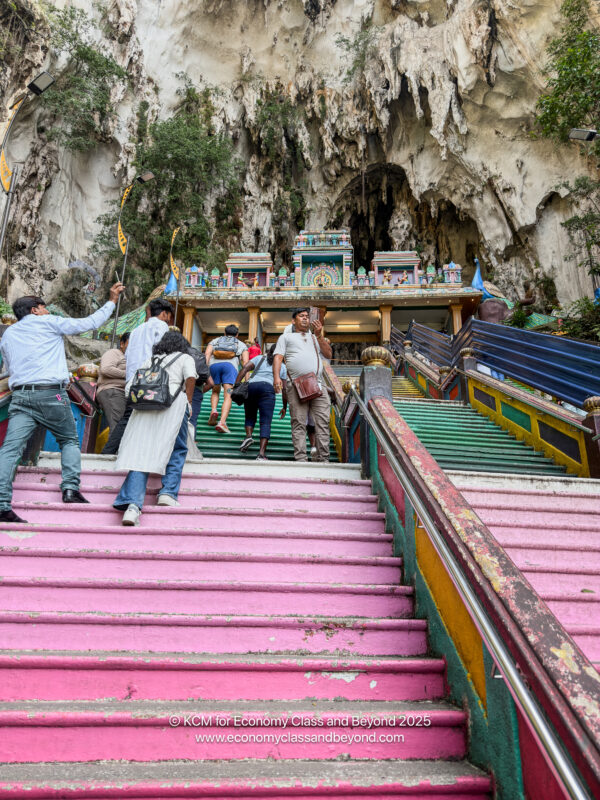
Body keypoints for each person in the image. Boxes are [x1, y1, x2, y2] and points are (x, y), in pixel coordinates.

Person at [0, 282, 125, 523]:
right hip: (50, 393)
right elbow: (88, 323)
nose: (47, 311)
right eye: (44, 307)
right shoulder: (49, 322)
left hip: (21, 395)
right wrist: (111, 300)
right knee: (68, 439)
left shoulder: (8, 335)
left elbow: (8, 368)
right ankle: (70, 489)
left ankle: (2, 503)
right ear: (35, 309)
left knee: (9, 449)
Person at [113, 331, 197, 526]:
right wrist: (188, 401)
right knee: (177, 448)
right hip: (173, 407)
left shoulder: (150, 360)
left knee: (141, 454)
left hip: (143, 410)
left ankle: (132, 506)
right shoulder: (185, 357)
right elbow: (191, 377)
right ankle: (167, 493)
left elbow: (129, 388)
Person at [103, 298, 174, 454]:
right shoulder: (162, 326)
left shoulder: (136, 330)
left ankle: (109, 452)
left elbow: (127, 356)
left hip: (131, 380)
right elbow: (162, 352)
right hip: (150, 378)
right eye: (169, 316)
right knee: (155, 418)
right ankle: (146, 454)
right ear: (164, 314)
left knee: (128, 417)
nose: (169, 320)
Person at [273, 308, 332, 462]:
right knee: (298, 422)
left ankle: (323, 458)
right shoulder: (285, 337)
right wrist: (276, 378)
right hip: (296, 386)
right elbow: (278, 357)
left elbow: (328, 354)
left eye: (307, 316)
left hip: (318, 384)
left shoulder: (314, 337)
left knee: (322, 423)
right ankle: (301, 458)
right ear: (294, 320)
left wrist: (319, 335)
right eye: (301, 316)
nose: (305, 319)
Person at [235, 344, 287, 460]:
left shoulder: (259, 358)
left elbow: (245, 368)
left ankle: (248, 436)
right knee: (265, 422)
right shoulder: (282, 366)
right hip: (267, 390)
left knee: (249, 416)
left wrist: (237, 385)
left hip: (251, 387)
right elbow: (285, 389)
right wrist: (284, 406)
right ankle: (261, 454)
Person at [204, 324, 248, 433]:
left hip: (214, 366)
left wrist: (204, 370)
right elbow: (246, 363)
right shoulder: (241, 344)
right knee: (228, 394)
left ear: (224, 333)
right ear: (237, 334)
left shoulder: (215, 340)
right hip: (230, 367)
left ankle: (214, 410)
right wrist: (247, 381)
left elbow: (207, 354)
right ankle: (222, 422)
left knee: (215, 390)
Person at [96, 332, 129, 432]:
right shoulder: (114, 353)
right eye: (130, 344)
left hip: (120, 394)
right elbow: (106, 369)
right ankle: (111, 448)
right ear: (122, 344)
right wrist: (128, 374)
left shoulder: (130, 358)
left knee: (120, 428)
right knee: (117, 429)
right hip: (112, 391)